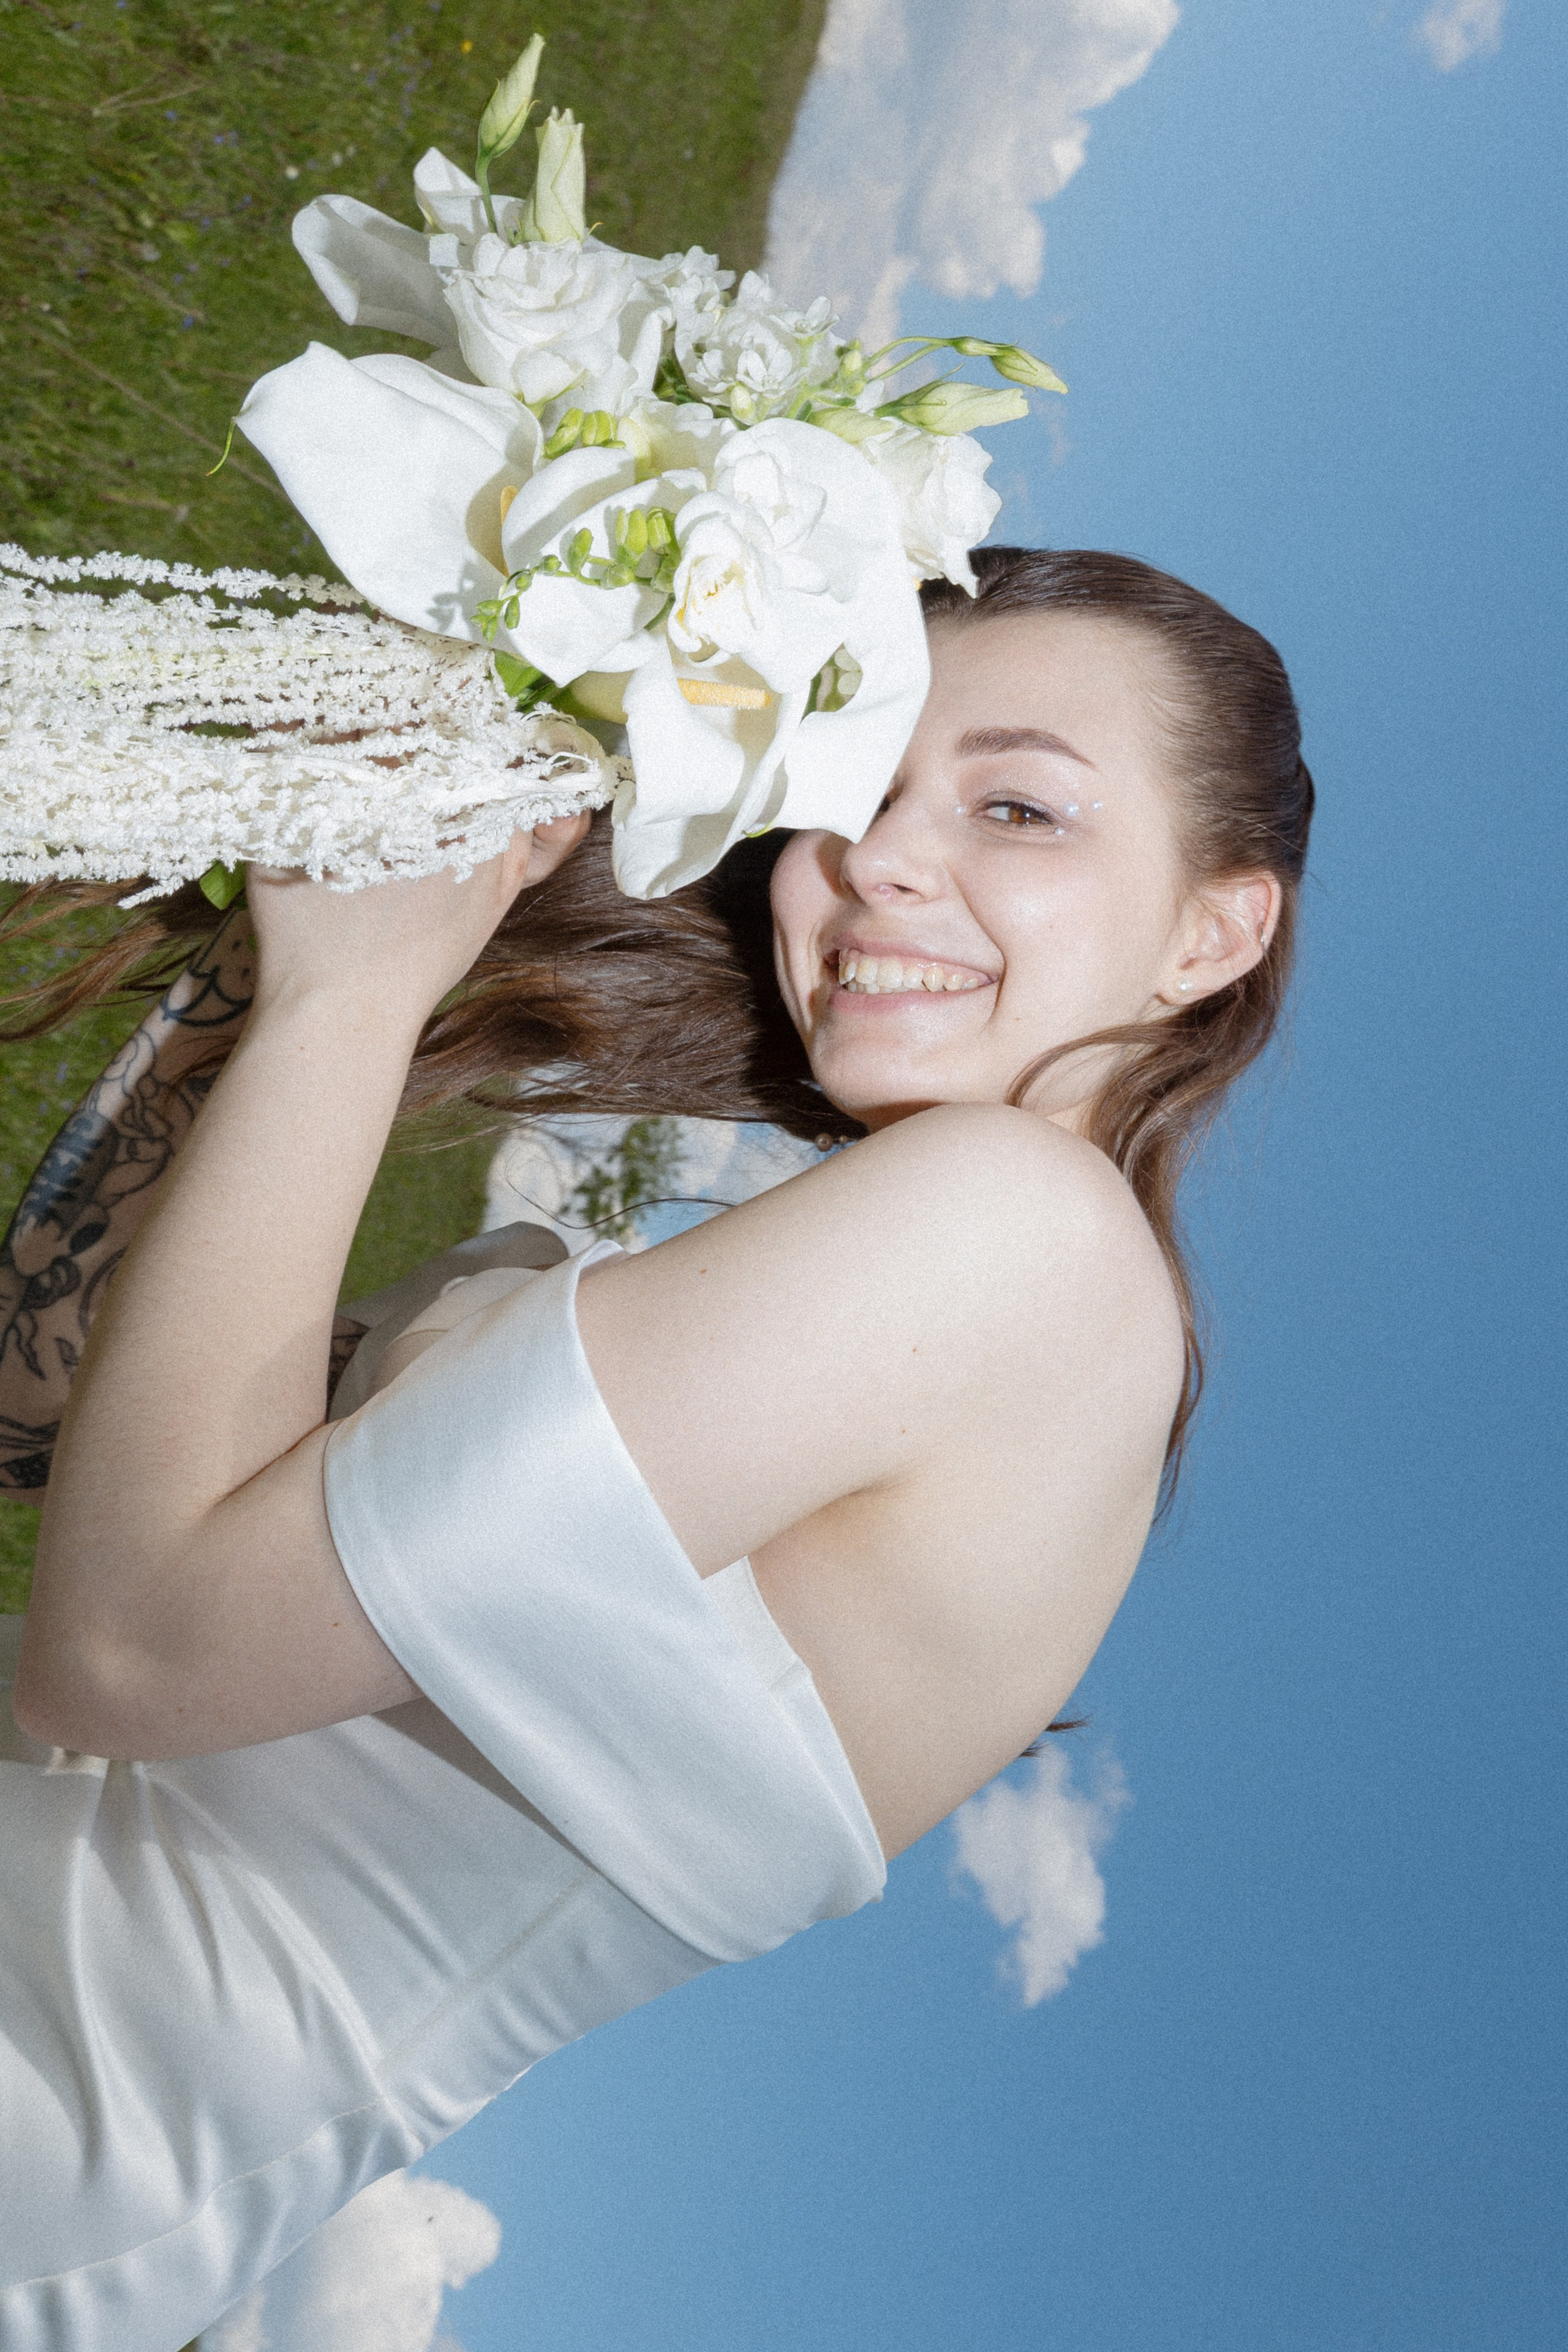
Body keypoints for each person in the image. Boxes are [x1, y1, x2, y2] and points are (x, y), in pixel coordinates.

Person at [0, 548, 1313, 2349]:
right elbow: (47, 1415)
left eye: (1019, 805)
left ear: (1213, 932)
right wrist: (308, 926)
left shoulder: (1030, 1245)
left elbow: (126, 1648)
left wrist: (350, 1000)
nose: (881, 862)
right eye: (846, 787)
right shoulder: (902, 1316)